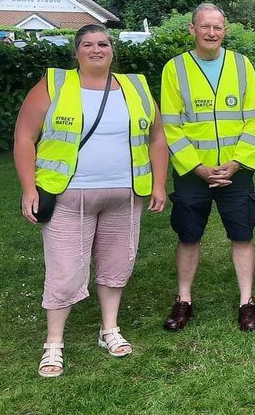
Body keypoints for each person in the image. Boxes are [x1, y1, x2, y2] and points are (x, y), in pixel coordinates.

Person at [13, 24, 169, 377]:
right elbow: (24, 136)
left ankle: (109, 329)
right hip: (68, 196)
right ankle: (54, 343)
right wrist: (28, 188)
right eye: (87, 44)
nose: (96, 49)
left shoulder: (137, 87)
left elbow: (157, 138)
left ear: (113, 50)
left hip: (126, 196)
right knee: (65, 271)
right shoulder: (53, 84)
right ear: (77, 51)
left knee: (117, 265)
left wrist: (159, 183)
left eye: (103, 43)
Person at [160, 3, 255, 333]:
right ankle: (184, 301)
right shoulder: (174, 69)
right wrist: (197, 167)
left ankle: (246, 304)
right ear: (192, 29)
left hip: (237, 171)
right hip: (194, 174)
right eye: (205, 27)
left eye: (217, 27)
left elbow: (254, 118)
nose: (211, 33)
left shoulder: (242, 65)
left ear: (225, 30)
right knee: (189, 237)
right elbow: (171, 126)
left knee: (243, 236)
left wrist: (236, 162)